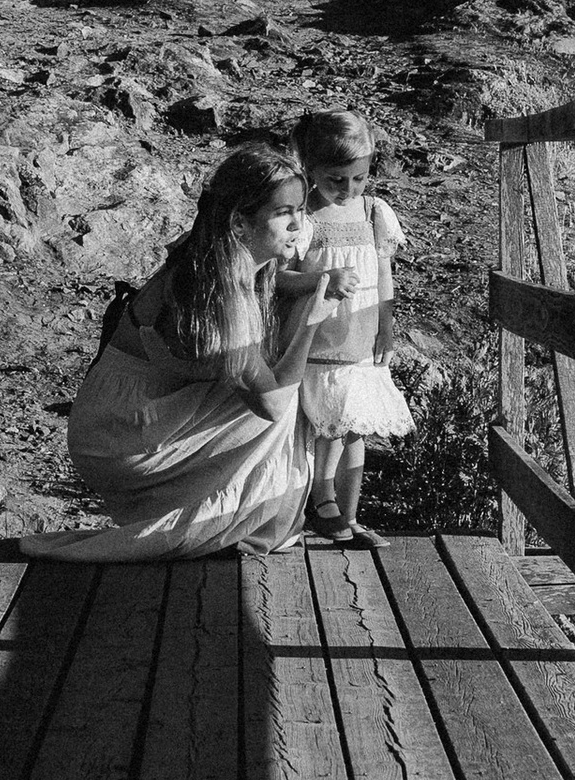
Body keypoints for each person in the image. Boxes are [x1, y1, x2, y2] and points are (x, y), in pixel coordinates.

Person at [48, 140, 349, 558]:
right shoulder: (220, 292)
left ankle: (244, 516)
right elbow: (274, 402)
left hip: (133, 416)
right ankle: (240, 519)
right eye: (284, 213)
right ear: (240, 224)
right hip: (123, 433)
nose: (299, 224)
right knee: (283, 400)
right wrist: (311, 322)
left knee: (276, 376)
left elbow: (276, 282)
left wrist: (318, 281)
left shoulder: (222, 258)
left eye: (300, 209)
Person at [286, 105, 412, 544]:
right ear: (311, 169)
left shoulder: (374, 211)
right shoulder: (304, 216)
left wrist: (387, 327)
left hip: (360, 338)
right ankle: (321, 500)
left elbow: (383, 275)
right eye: (336, 179)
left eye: (358, 178)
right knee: (328, 424)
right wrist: (321, 280)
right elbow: (279, 277)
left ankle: (348, 515)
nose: (348, 189)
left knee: (354, 424)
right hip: (319, 338)